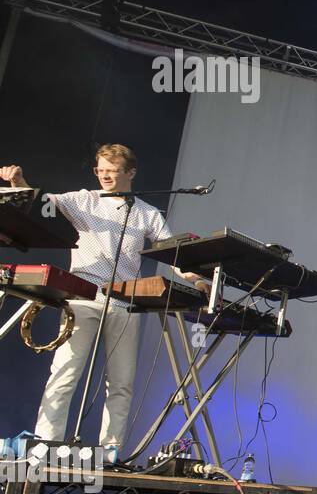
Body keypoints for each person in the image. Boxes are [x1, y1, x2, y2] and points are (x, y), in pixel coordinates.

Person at [2, 147, 206, 458]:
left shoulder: (147, 213)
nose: (105, 176)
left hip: (125, 302)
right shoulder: (83, 199)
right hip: (82, 297)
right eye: (100, 170)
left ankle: (110, 452)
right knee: (65, 372)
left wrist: (196, 279)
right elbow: (41, 204)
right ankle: (45, 444)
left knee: (121, 382)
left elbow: (172, 252)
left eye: (112, 170)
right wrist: (19, 182)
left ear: (131, 173)